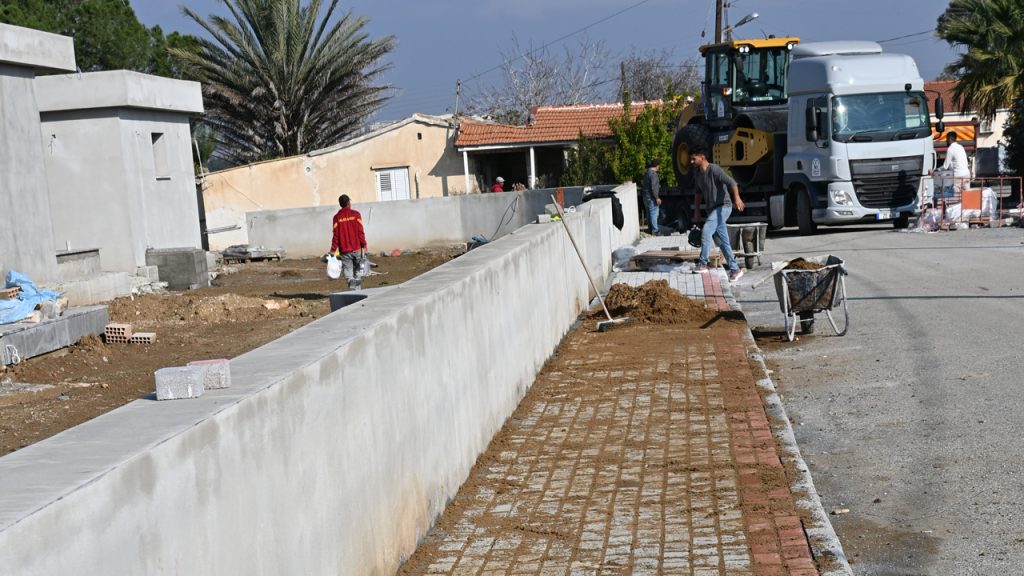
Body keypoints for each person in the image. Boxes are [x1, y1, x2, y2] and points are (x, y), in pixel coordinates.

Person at [690, 146, 745, 282]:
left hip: (724, 207)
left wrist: (737, 198)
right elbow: (698, 193)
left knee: (707, 230)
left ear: (702, 157)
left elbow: (732, 182)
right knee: (722, 242)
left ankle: (703, 263)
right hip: (712, 210)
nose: (691, 161)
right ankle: (735, 269)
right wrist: (696, 211)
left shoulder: (714, 169)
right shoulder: (697, 173)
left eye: (693, 158)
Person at [329, 194, 368, 290]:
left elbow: (336, 235)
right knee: (359, 270)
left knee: (347, 269)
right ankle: (357, 289)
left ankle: (351, 281)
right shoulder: (356, 214)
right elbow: (360, 231)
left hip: (344, 250)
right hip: (357, 248)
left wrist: (333, 250)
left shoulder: (337, 217)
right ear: (348, 203)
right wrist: (364, 245)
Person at [641, 159, 661, 235]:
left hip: (645, 196)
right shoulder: (653, 174)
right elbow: (653, 187)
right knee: (654, 213)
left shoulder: (646, 173)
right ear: (657, 166)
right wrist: (657, 197)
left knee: (649, 213)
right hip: (652, 197)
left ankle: (650, 229)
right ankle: (655, 230)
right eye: (659, 166)